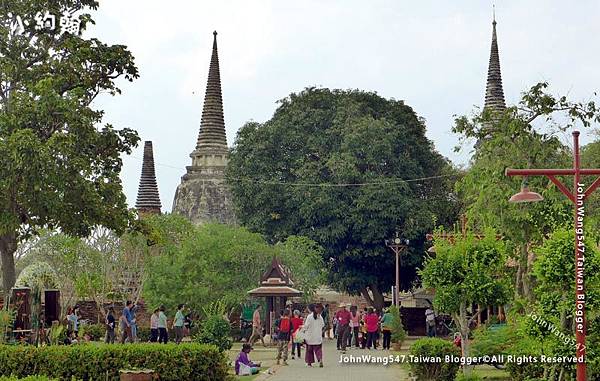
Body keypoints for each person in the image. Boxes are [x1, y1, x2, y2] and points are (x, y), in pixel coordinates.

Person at [302, 303, 325, 367]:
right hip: (318, 337)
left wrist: (302, 330)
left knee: (309, 351)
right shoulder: (320, 317)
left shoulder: (309, 317)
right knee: (318, 350)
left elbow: (306, 326)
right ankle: (320, 359)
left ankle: (309, 363)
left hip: (309, 337)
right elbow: (323, 325)